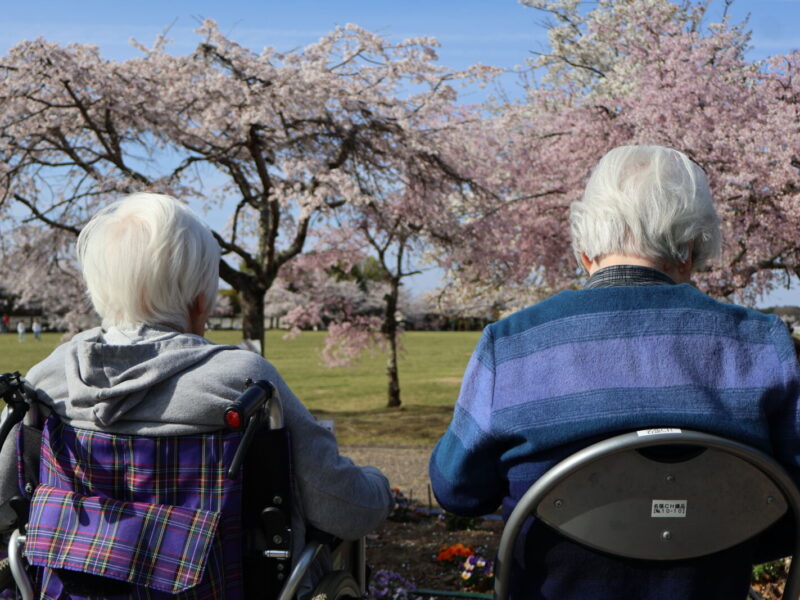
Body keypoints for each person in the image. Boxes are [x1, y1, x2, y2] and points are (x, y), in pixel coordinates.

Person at [429, 145, 800, 599]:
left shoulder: (513, 343)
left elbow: (457, 491)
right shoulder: (761, 344)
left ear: (586, 250)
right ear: (690, 249)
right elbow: (788, 503)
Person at [0, 192, 392, 598]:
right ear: (200, 299)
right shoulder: (243, 381)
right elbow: (345, 509)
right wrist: (379, 486)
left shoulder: (46, 379)